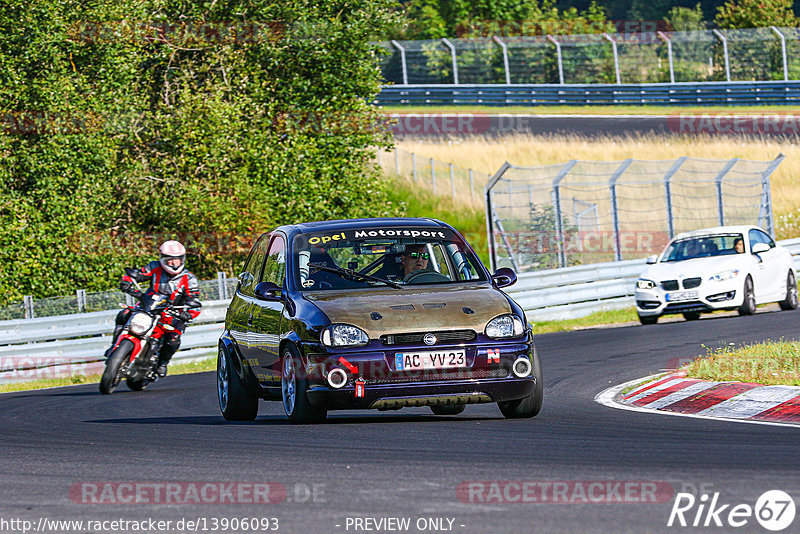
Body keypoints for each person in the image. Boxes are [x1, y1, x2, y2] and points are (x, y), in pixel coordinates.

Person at [108, 240, 202, 376]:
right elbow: (137, 274)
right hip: (148, 306)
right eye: (170, 260)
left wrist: (188, 313)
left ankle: (162, 363)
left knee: (174, 338)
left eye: (177, 260)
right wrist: (127, 282)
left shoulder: (189, 279)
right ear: (163, 259)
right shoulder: (154, 267)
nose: (174, 263)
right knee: (124, 314)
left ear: (183, 259)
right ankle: (115, 347)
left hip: (172, 314)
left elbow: (194, 301)